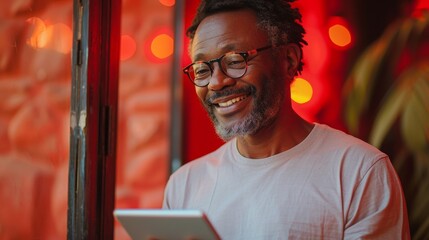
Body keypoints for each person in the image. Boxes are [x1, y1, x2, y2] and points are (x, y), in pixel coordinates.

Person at [163, 0, 410, 239]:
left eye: (235, 60)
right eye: (203, 70)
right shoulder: (184, 185)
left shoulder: (359, 171)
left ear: (288, 60)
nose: (216, 82)